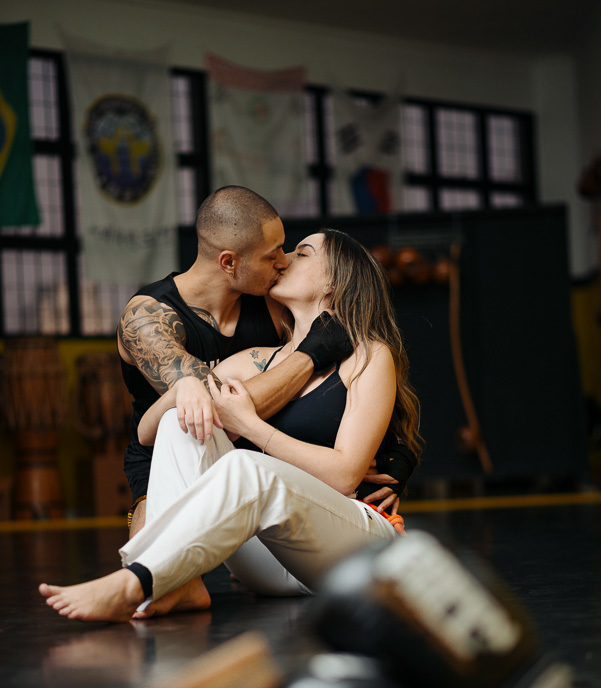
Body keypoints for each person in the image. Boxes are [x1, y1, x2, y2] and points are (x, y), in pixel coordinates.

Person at [41, 229, 422, 623]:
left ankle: (135, 583)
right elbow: (147, 433)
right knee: (181, 420)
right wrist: (185, 388)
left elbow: (344, 476)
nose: (285, 260)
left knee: (246, 467)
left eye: (302, 253)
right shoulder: (253, 360)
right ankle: (178, 584)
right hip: (272, 562)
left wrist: (252, 427)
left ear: (334, 282)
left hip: (351, 554)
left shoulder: (368, 355)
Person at [119, 185, 404, 536]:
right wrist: (310, 355)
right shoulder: (148, 317)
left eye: (290, 250)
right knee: (157, 525)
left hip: (259, 465)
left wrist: (399, 453)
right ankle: (149, 567)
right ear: (229, 262)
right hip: (170, 451)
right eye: (273, 255)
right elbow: (214, 411)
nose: (283, 261)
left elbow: (361, 384)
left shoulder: (268, 298)